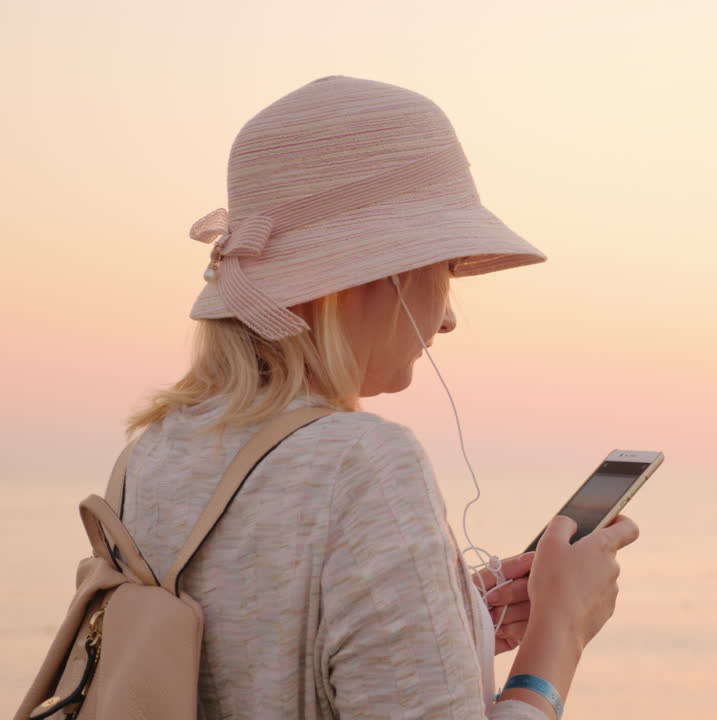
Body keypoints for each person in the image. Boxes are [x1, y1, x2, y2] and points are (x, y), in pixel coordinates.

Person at [117, 75, 639, 719]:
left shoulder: (153, 453)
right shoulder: (362, 464)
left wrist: (443, 623)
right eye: (446, 268)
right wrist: (560, 633)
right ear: (381, 273)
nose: (447, 318)